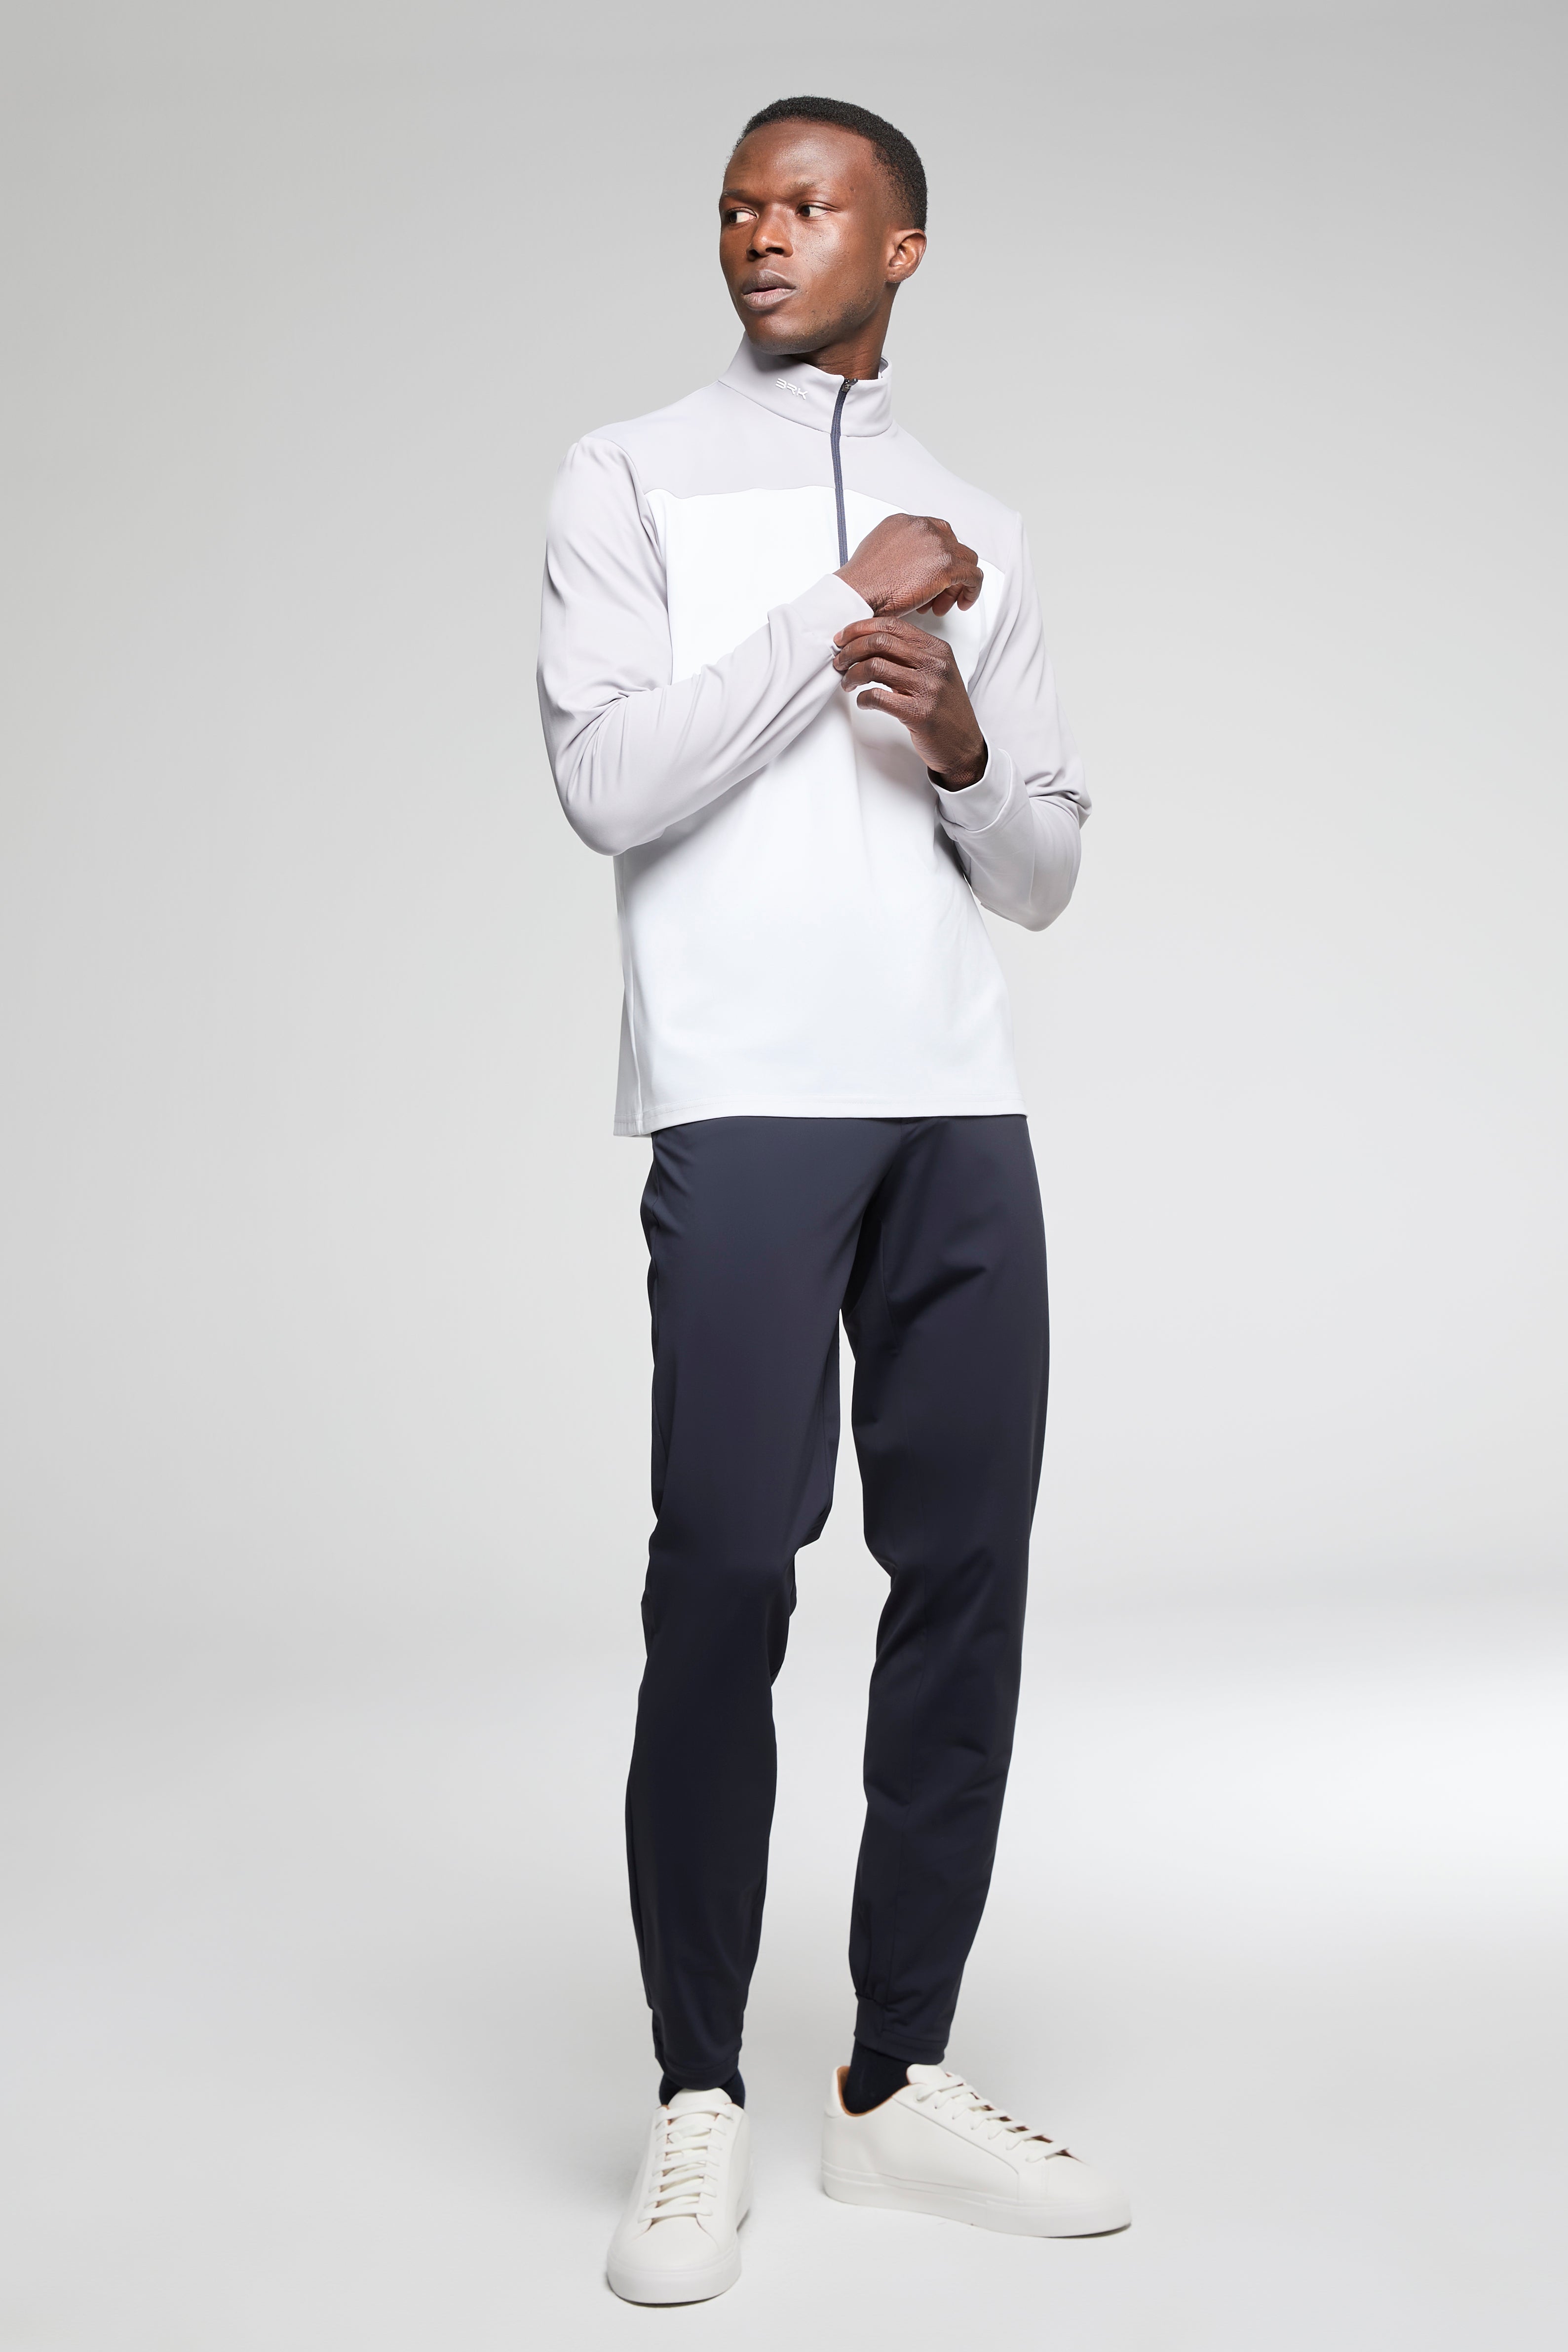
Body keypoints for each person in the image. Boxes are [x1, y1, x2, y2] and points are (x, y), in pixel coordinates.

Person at [537, 93, 1129, 2305]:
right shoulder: (627, 476)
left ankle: (894, 2084)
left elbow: (1043, 870)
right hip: (749, 1097)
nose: (758, 237)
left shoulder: (985, 525)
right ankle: (698, 2091)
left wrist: (957, 740)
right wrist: (832, 613)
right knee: (723, 1574)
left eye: (805, 208)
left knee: (964, 1576)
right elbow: (610, 781)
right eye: (736, 207)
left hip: (955, 1102)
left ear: (900, 248)